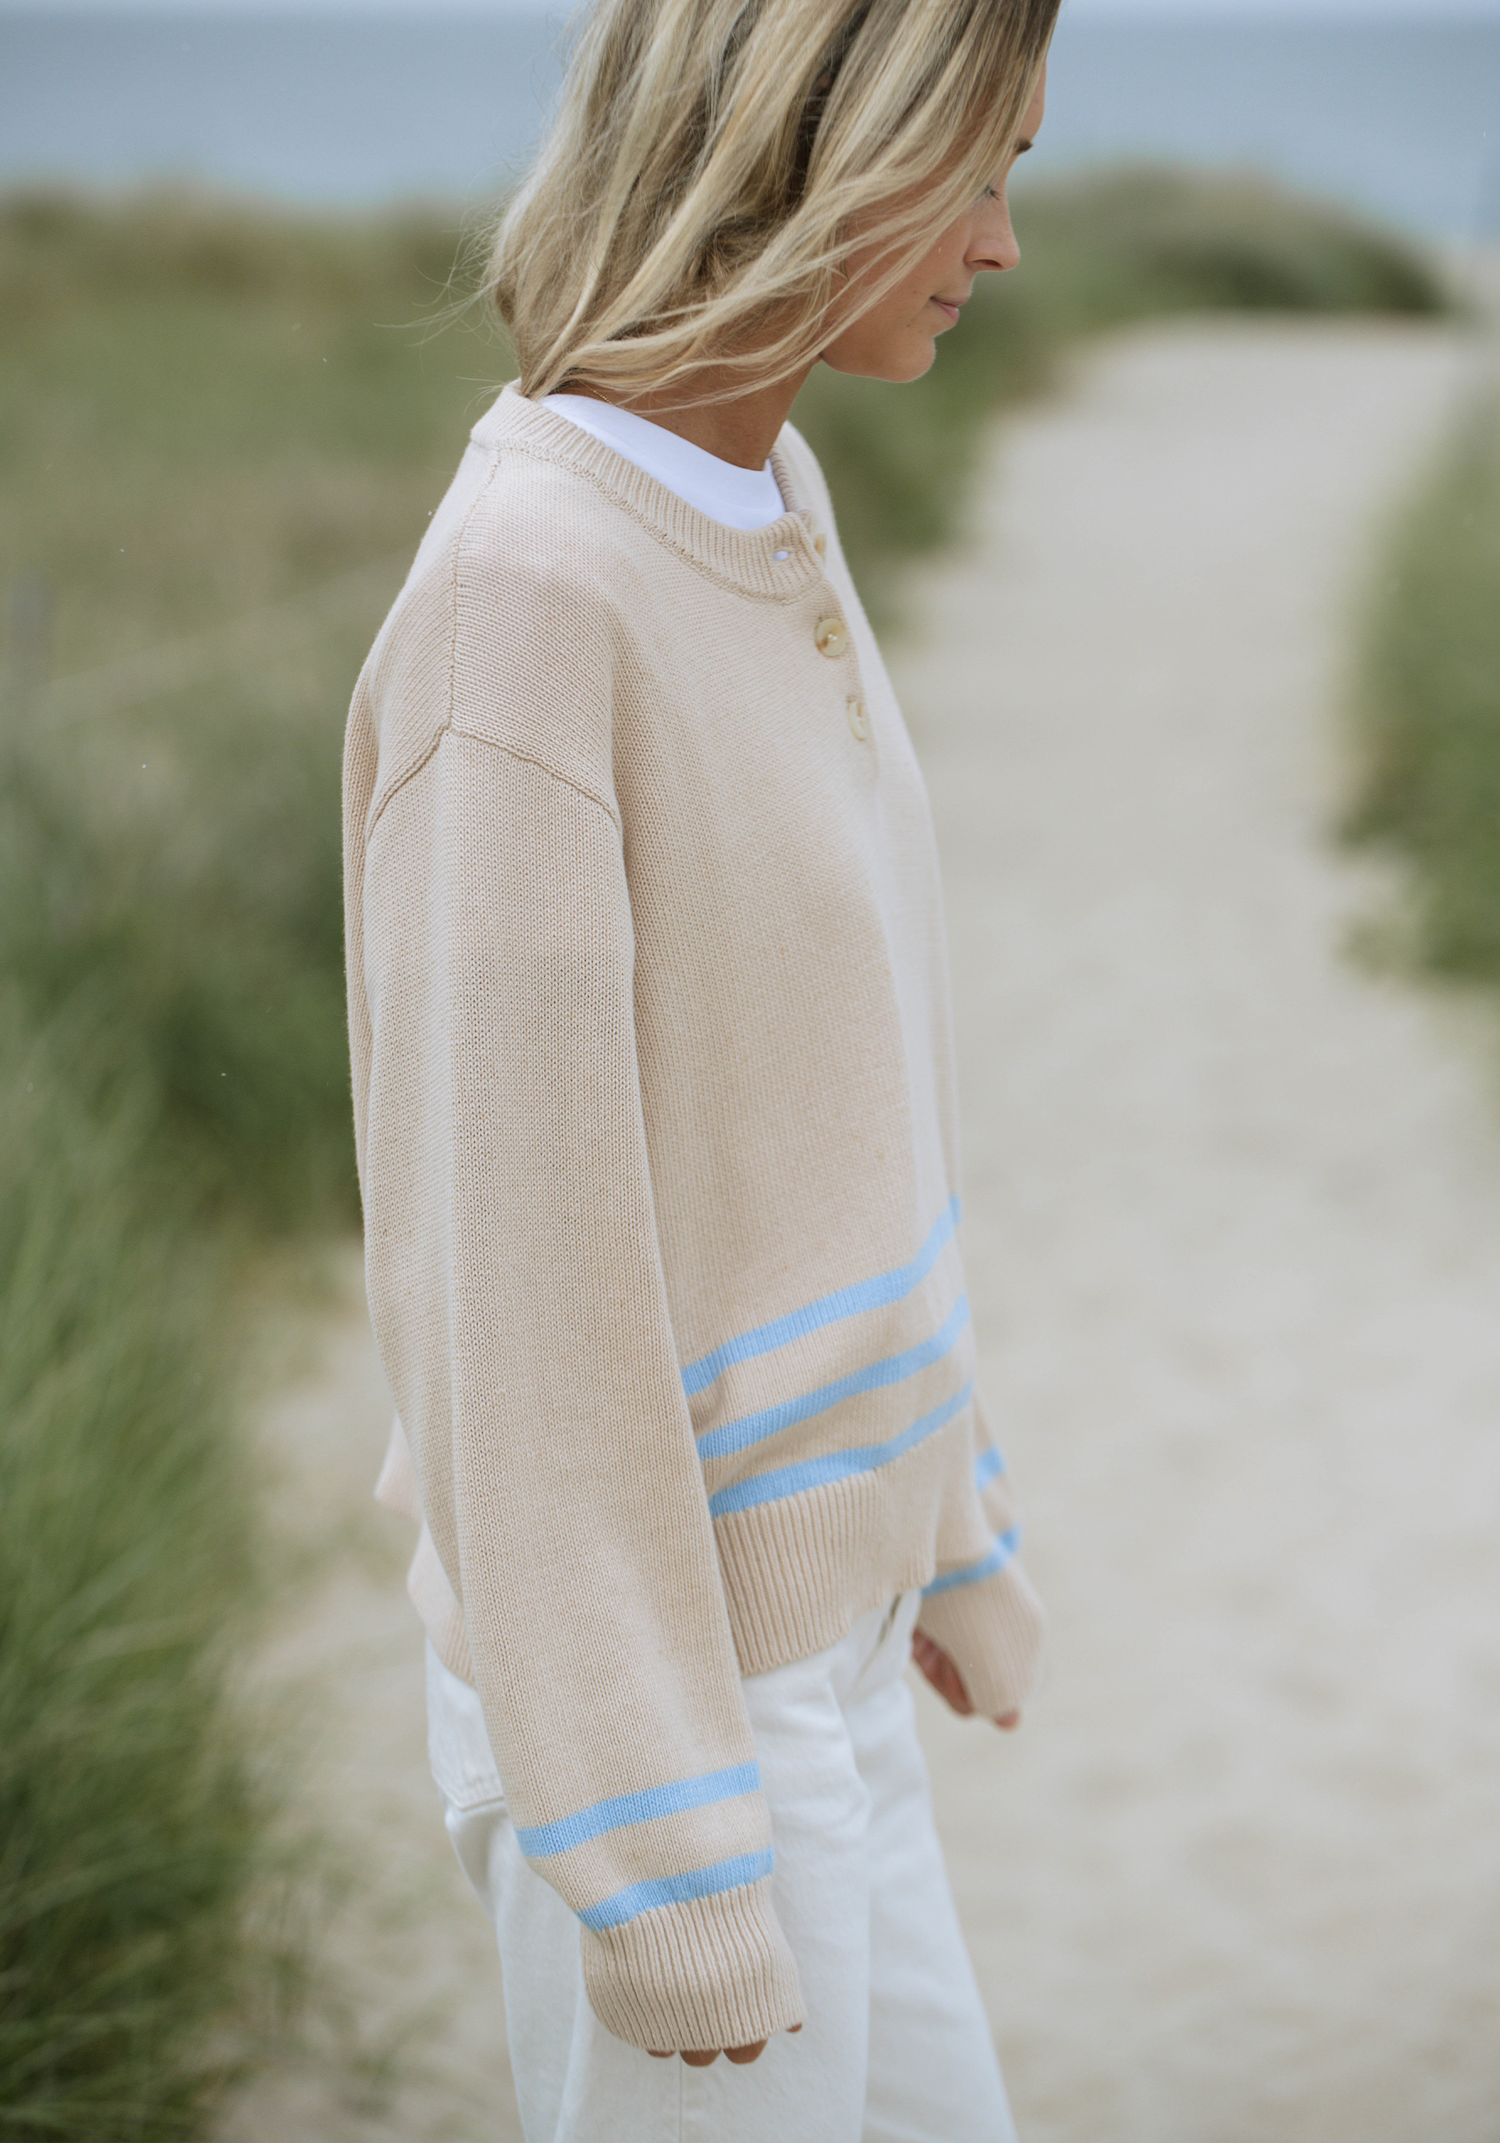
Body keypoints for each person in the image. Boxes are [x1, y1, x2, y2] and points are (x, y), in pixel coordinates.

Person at [343, 0, 1055, 2132]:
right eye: (974, 170)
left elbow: (832, 1082)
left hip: (823, 1659)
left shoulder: (765, 496)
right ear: (808, 149)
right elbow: (516, 1300)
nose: (1003, 243)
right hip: (669, 1712)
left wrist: (939, 1518)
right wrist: (656, 1838)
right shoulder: (530, 603)